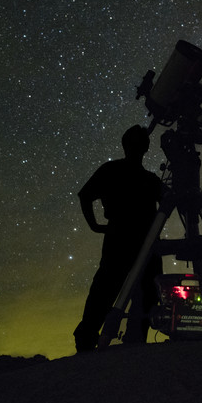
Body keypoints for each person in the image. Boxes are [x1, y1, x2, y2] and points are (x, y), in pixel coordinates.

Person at [73, 125, 164, 352]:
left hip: (127, 238)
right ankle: (126, 339)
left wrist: (95, 225)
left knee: (111, 290)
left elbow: (85, 196)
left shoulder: (112, 170)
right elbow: (85, 196)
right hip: (138, 240)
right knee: (113, 289)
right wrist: (94, 225)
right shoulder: (149, 179)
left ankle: (91, 340)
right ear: (146, 147)